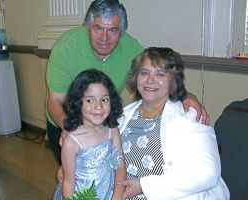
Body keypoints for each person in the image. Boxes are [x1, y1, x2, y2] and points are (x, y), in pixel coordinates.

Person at [46, 0, 208, 165]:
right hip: (66, 120)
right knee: (75, 179)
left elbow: (159, 77)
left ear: (121, 31)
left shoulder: (131, 48)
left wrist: (186, 96)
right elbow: (56, 101)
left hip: (102, 121)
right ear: (88, 27)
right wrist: (71, 129)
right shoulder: (65, 48)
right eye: (98, 28)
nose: (104, 38)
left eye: (113, 30)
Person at [117, 47, 230, 200]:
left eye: (160, 74)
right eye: (144, 73)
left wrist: (143, 186)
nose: (150, 80)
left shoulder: (189, 117)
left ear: (173, 80)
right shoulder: (122, 116)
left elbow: (208, 173)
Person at [53, 69, 126, 200]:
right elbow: (68, 182)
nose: (98, 106)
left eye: (104, 99)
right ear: (77, 102)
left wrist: (117, 196)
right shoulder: (72, 142)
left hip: (111, 195)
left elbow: (120, 167)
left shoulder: (112, 130)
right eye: (90, 100)